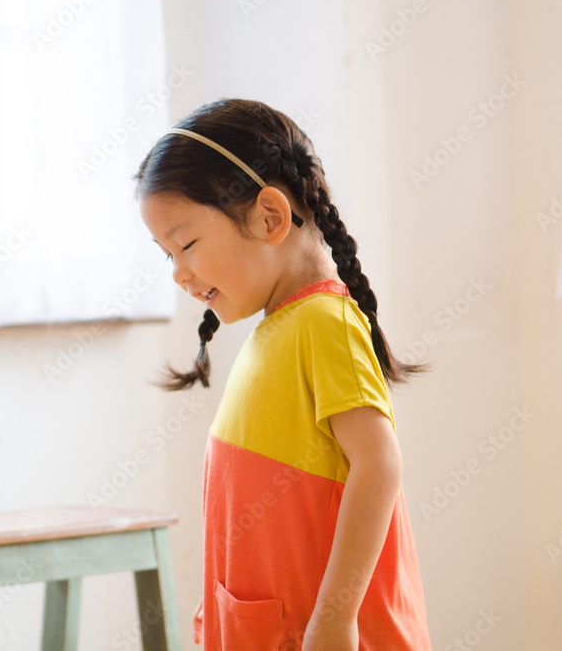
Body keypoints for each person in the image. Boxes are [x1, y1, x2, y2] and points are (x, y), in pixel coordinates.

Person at [133, 98, 434, 651]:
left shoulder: (323, 322)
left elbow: (379, 464)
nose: (178, 273)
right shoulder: (281, 327)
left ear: (269, 217)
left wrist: (334, 619)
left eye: (187, 245)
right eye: (167, 255)